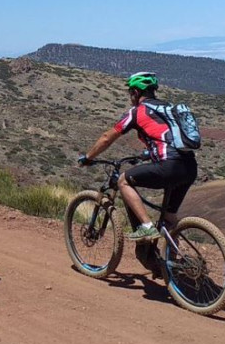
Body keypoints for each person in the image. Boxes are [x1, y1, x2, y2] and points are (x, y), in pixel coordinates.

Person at [79, 71, 198, 240]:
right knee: (169, 217)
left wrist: (88, 157)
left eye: (130, 92)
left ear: (135, 92)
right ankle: (172, 262)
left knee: (123, 180)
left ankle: (147, 227)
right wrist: (149, 153)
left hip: (169, 166)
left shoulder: (136, 112)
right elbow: (169, 137)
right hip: (190, 167)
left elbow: (107, 138)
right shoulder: (168, 108)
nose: (130, 96)